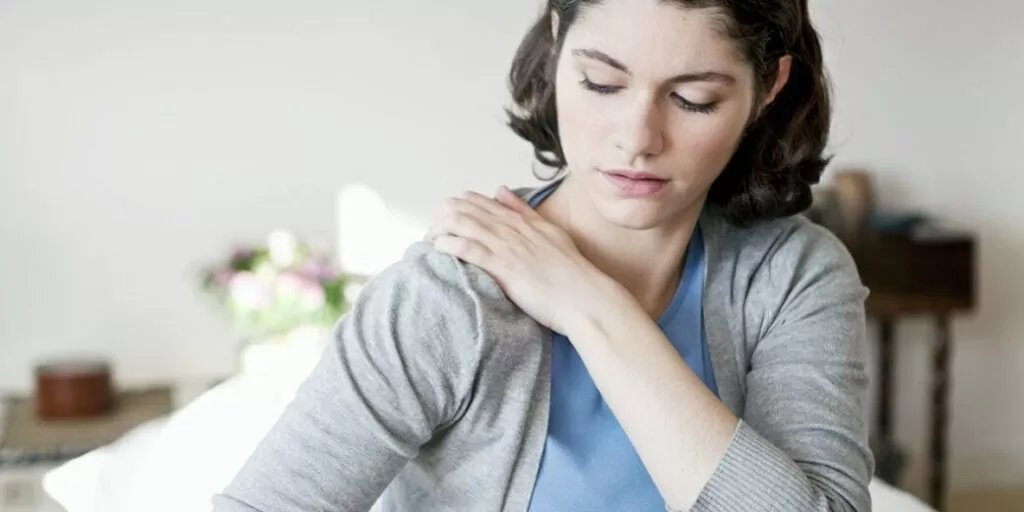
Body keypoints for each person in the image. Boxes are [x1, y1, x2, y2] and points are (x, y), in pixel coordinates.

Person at [213, 0, 873, 510]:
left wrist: (588, 306)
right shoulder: (448, 298)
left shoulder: (790, 275)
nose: (637, 139)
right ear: (557, 43)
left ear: (768, 86)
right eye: (601, 83)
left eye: (692, 99)